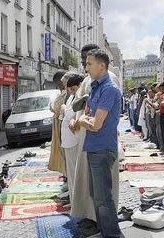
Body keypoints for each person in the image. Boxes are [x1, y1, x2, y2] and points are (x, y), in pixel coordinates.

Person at [69, 44, 120, 223]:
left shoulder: (108, 84)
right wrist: (76, 119)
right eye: (85, 61)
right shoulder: (92, 81)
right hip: (89, 140)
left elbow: (97, 121)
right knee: (94, 191)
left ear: (101, 64)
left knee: (103, 194)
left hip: (101, 142)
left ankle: (109, 233)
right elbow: (82, 105)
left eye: (88, 62)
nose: (85, 65)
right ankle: (96, 220)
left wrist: (82, 120)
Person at [61, 74, 84, 204]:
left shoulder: (81, 97)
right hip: (67, 140)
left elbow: (78, 116)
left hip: (74, 139)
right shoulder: (71, 98)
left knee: (76, 172)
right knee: (71, 172)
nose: (70, 91)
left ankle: (77, 201)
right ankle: (73, 197)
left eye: (73, 89)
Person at [48, 70, 68, 176]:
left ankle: (67, 173)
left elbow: (61, 109)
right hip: (58, 125)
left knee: (63, 151)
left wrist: (53, 107)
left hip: (62, 126)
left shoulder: (68, 93)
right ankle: (65, 173)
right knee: (61, 151)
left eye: (58, 83)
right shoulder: (62, 93)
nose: (58, 86)